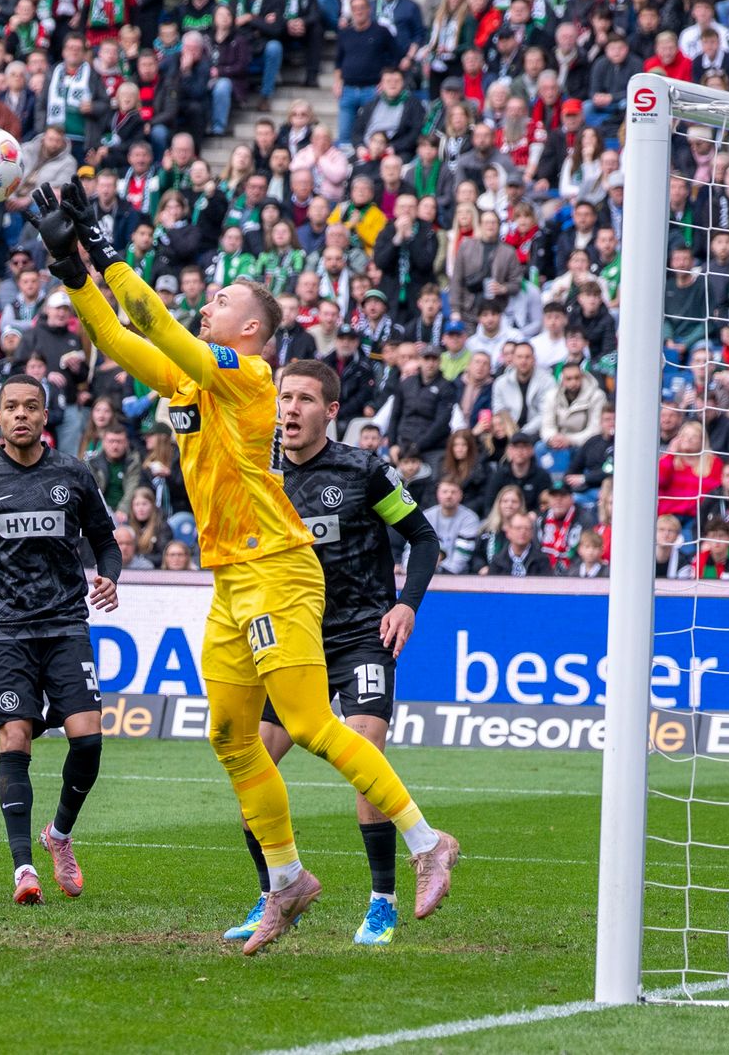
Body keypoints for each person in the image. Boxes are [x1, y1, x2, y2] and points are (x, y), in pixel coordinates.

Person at [28, 180, 460, 955]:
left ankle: (428, 842)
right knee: (233, 737)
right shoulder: (195, 383)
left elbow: (154, 319)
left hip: (282, 568)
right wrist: (72, 272)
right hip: (231, 579)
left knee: (308, 723)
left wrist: (105, 250)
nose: (209, 299)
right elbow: (127, 342)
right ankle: (288, 880)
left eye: (221, 295)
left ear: (249, 327)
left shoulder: (252, 377)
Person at [222, 360, 440, 949]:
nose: (289, 410)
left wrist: (407, 604)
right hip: (291, 639)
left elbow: (424, 539)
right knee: (254, 766)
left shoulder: (364, 472)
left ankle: (382, 903)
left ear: (331, 411)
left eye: (304, 400)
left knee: (364, 754)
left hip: (361, 635)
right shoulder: (260, 476)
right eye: (284, 398)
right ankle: (275, 892)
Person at [0, 374, 121, 904]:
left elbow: (104, 538)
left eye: (32, 406)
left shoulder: (73, 475)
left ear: (45, 414)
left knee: (89, 738)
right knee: (15, 739)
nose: (22, 415)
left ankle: (58, 834)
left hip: (64, 624)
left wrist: (109, 574)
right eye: (12, 407)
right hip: (4, 630)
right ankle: (24, 870)